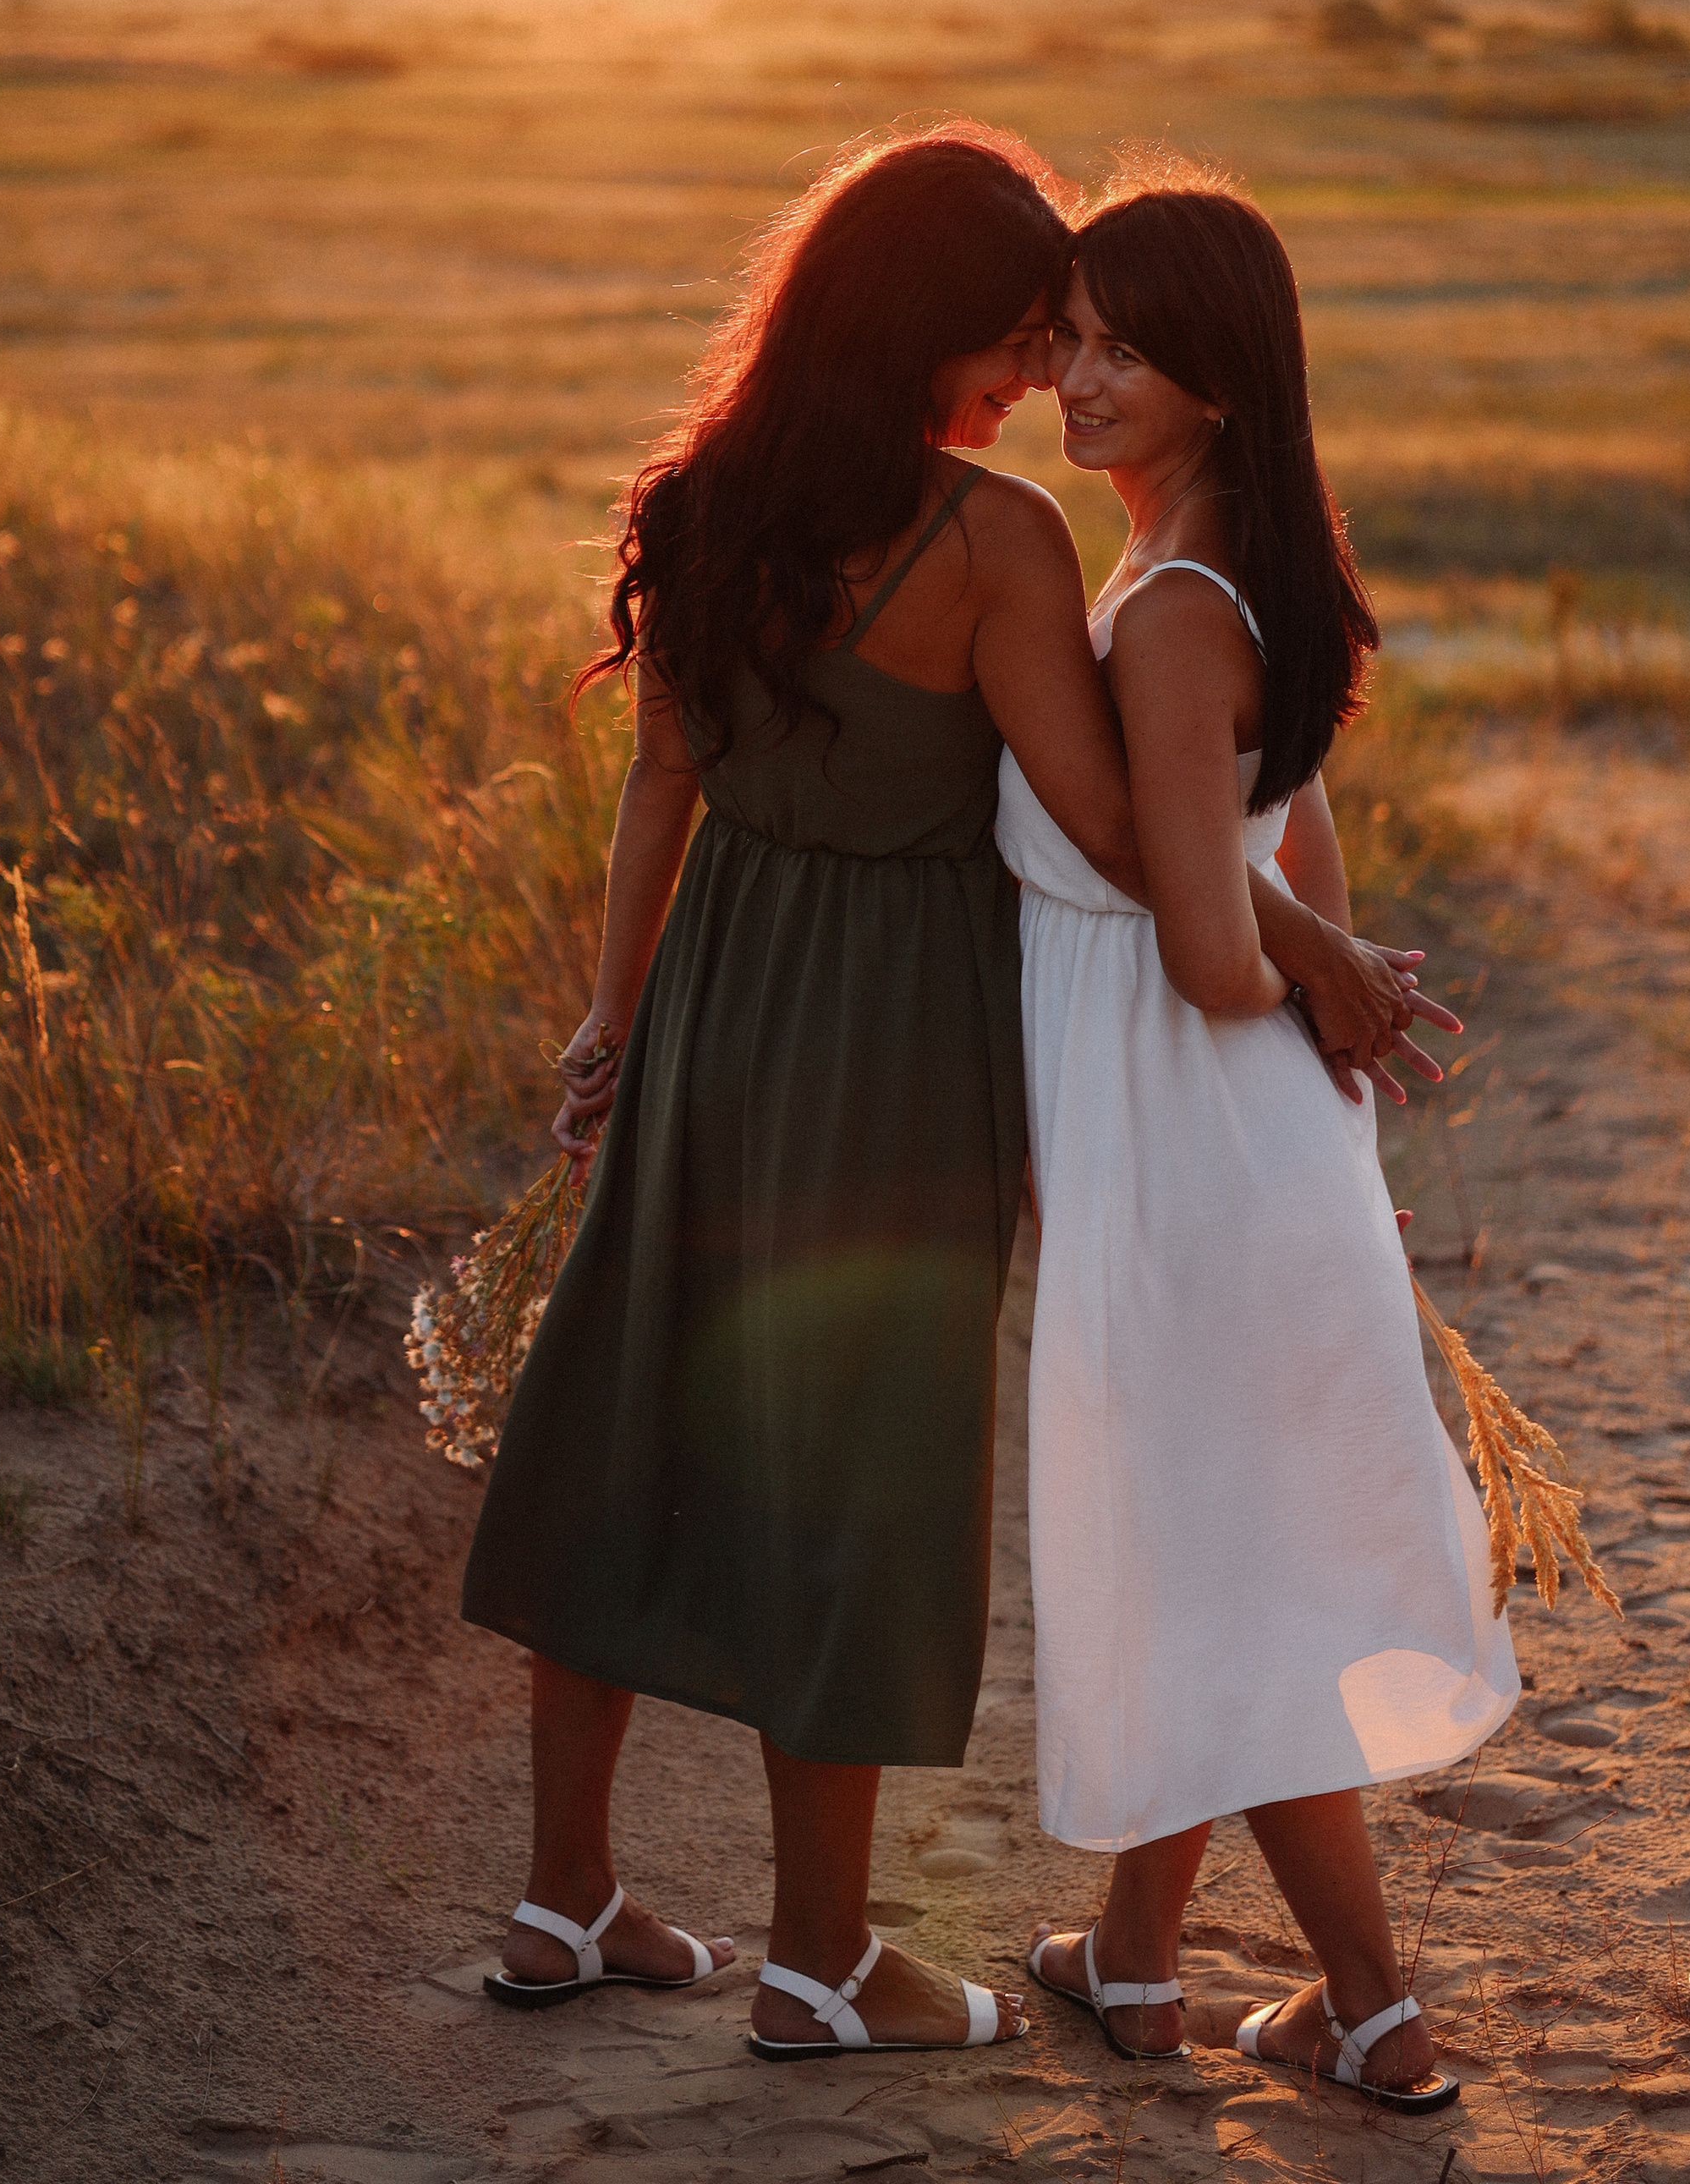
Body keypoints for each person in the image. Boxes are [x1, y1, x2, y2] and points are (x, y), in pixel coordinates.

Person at [461, 129, 1452, 2061]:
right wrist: (1313, 950)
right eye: (1014, 337)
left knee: (623, 1425)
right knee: (855, 1473)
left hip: (710, 1014)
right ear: (921, 327)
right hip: (890, 1043)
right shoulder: (990, 542)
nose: (1031, 377)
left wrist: (613, 1022)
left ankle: (559, 1899)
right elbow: (1120, 826)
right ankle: (822, 1962)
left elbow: (659, 782)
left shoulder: (699, 502)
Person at [1000, 179, 1514, 2112]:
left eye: (1121, 351)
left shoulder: (1166, 612)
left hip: (1185, 1144)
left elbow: (1213, 955)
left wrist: (1291, 985)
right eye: (1066, 338)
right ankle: (1134, 1961)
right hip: (1245, 1145)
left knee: (1231, 1566)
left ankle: (1370, 2011)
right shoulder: (1245, 575)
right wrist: (1329, 1005)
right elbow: (1299, 848)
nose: (1075, 380)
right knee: (1217, 1543)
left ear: (1216, 380)